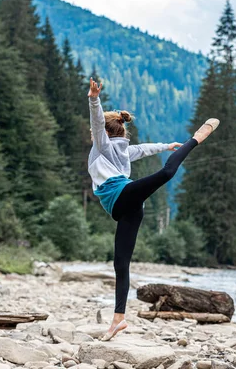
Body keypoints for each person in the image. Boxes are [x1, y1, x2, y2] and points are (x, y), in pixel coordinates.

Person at [87, 78, 219, 341]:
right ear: (121, 133)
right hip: (127, 208)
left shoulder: (103, 144)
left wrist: (94, 99)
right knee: (120, 263)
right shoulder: (117, 149)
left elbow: (97, 122)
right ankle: (118, 320)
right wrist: (165, 146)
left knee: (167, 172)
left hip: (122, 196)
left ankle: (194, 140)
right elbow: (144, 148)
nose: (94, 134)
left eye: (98, 132)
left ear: (105, 134)